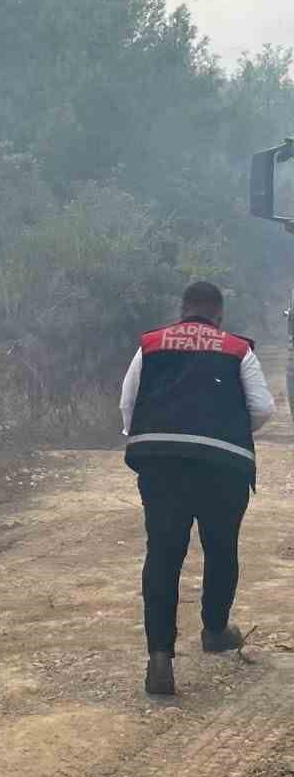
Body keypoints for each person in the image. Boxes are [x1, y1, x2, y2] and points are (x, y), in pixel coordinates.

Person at [120, 280, 276, 696]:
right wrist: (231, 428)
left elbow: (128, 403)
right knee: (221, 546)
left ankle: (159, 657)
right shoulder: (237, 349)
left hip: (161, 463)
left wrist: (150, 436)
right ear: (218, 315)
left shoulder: (151, 345)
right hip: (222, 465)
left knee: (164, 554)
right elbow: (262, 408)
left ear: (182, 309)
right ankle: (215, 629)